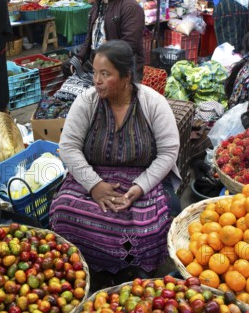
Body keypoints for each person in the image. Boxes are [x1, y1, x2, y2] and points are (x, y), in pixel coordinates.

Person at [50, 40, 181, 277]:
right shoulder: (86, 102)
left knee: (147, 225)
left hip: (141, 177)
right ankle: (83, 264)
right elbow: (68, 147)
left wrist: (139, 188)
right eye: (95, 72)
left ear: (126, 76)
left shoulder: (152, 103)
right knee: (63, 210)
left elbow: (168, 152)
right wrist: (94, 186)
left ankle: (132, 270)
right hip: (93, 174)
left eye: (105, 74)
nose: (96, 80)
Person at [63, 0, 145, 81]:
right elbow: (89, 39)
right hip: (96, 64)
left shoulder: (130, 7)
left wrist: (108, 50)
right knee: (66, 68)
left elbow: (129, 46)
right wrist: (79, 58)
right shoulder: (98, 4)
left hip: (118, 69)